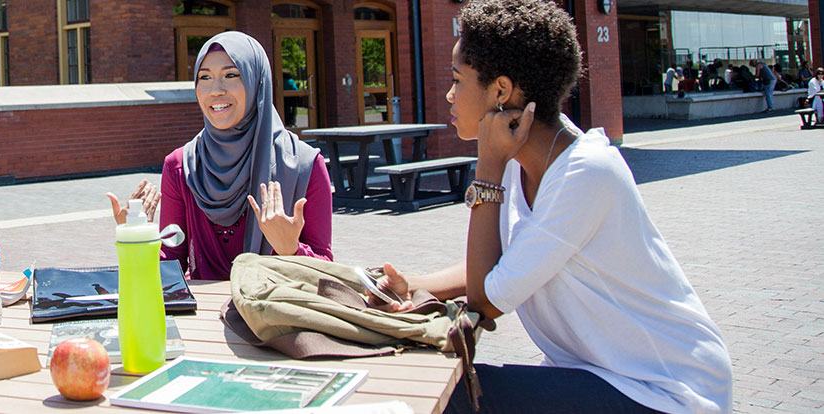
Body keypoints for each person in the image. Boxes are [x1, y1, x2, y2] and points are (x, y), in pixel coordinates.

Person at [374, 1, 732, 412]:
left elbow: (485, 300)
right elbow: (508, 260)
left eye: (458, 80)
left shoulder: (585, 172)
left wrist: (487, 167)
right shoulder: (521, 159)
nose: (449, 94)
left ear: (501, 91)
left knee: (458, 396)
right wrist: (413, 284)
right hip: (598, 373)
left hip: (666, 390)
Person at [105, 31, 334, 280]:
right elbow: (171, 266)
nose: (215, 90)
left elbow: (326, 273)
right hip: (202, 315)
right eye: (205, 77)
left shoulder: (304, 165)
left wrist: (290, 249)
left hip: (273, 314)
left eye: (231, 75)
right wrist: (137, 236)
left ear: (257, 81)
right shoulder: (180, 167)